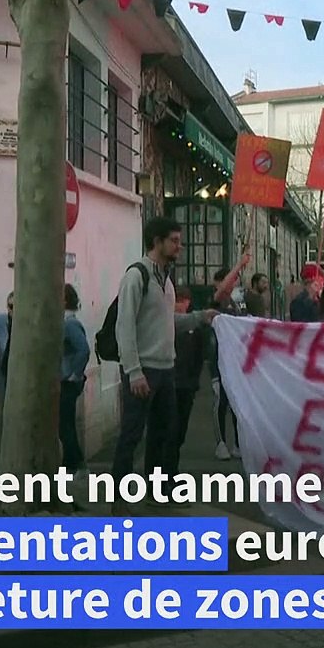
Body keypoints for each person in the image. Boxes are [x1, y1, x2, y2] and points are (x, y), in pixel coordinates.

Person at [111, 216, 217, 513]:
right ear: (156, 241)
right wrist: (133, 371)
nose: (179, 247)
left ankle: (156, 491)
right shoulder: (137, 276)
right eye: (174, 241)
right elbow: (125, 326)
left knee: (163, 432)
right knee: (132, 435)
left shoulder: (165, 280)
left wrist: (199, 317)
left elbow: (165, 323)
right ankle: (119, 500)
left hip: (165, 369)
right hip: (143, 369)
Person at [208, 265, 246, 460]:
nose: (236, 283)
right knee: (220, 402)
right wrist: (238, 265)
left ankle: (238, 444)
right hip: (218, 359)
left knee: (237, 403)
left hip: (236, 361)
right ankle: (221, 443)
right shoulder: (215, 301)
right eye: (234, 279)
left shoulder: (238, 302)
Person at [172, 286, 206, 462]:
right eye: (176, 301)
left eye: (182, 301)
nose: (178, 305)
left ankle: (171, 468)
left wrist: (194, 379)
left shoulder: (194, 327)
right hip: (170, 382)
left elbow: (199, 355)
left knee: (180, 429)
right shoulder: (167, 324)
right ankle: (166, 472)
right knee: (169, 429)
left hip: (187, 383)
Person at [60, 284, 91, 473]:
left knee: (65, 424)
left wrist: (74, 374)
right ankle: (72, 463)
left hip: (67, 381)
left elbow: (83, 350)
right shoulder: (65, 322)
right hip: (64, 379)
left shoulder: (69, 323)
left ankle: (75, 464)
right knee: (63, 424)